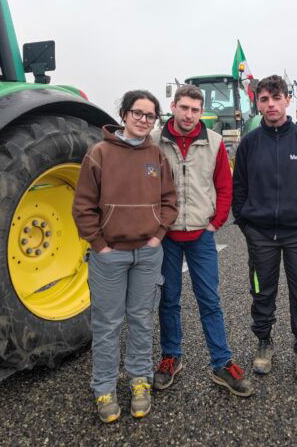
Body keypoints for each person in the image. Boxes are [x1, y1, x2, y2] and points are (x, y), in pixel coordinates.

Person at [72, 90, 178, 423]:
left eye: (150, 116)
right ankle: (103, 387)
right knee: (106, 325)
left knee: (142, 320)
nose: (144, 120)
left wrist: (157, 236)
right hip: (110, 256)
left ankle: (139, 380)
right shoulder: (99, 153)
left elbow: (169, 201)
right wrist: (99, 244)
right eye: (138, 113)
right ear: (124, 114)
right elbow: (83, 206)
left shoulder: (157, 157)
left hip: (147, 255)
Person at [151, 85, 253, 397]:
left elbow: (225, 186)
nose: (189, 115)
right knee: (168, 299)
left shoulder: (215, 142)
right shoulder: (153, 141)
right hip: (166, 236)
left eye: (195, 109)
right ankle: (171, 357)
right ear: (173, 106)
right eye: (184, 108)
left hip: (201, 236)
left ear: (201, 111)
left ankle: (222, 363)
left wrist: (215, 223)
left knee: (210, 300)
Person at [232, 75, 297, 381]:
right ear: (257, 103)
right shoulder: (249, 143)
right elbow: (239, 188)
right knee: (262, 292)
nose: (271, 105)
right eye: (264, 99)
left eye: (276, 98)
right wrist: (247, 224)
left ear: (288, 100)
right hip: (261, 234)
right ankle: (264, 343)